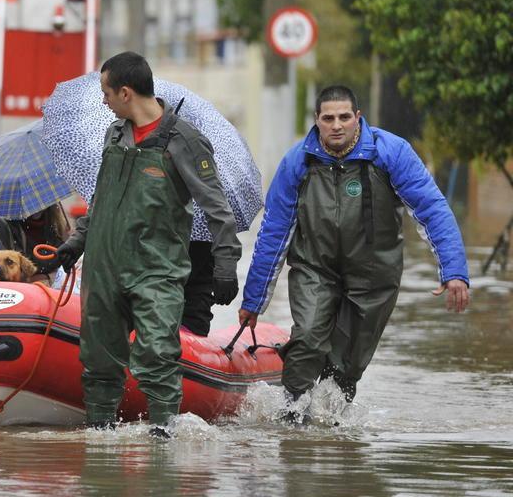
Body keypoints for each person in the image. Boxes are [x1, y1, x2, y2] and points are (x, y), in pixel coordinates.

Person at [238, 85, 470, 421]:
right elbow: (273, 234)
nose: (336, 125)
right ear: (316, 121)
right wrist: (254, 300)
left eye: (344, 117)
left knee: (346, 366)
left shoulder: (391, 153)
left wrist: (454, 272)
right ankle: (290, 425)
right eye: (328, 118)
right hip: (314, 268)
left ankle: (332, 434)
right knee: (307, 340)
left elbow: (432, 209)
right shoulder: (297, 163)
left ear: (357, 118)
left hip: (374, 275)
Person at [55, 52, 242, 436]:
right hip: (104, 269)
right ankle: (100, 441)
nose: (104, 101)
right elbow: (101, 196)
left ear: (125, 92)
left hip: (155, 270)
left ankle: (163, 442)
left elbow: (218, 210)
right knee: (98, 362)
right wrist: (76, 241)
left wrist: (225, 265)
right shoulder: (114, 135)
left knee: (157, 354)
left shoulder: (184, 141)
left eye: (107, 93)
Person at [9, 202, 71, 281]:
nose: (36, 206)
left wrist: (50, 277)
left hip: (58, 285)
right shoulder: (12, 228)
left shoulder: (57, 224)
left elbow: (68, 261)